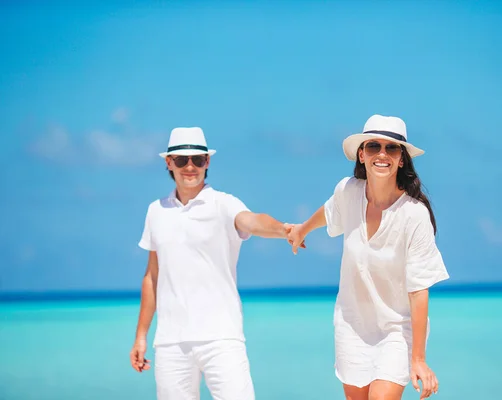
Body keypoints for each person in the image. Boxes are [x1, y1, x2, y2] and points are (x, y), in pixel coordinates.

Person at [129, 127, 301, 400]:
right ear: (168, 162)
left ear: (207, 162)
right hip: (171, 342)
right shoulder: (156, 211)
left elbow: (252, 221)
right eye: (182, 160)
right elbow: (152, 276)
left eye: (197, 159)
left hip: (222, 338)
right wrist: (141, 336)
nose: (190, 166)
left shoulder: (223, 204)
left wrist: (284, 230)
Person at [287, 114, 449, 400]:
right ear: (362, 155)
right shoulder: (348, 191)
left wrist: (419, 359)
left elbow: (418, 289)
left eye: (392, 148)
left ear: (402, 159)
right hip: (352, 326)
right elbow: (328, 212)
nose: (382, 154)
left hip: (397, 330)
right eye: (374, 146)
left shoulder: (414, 214)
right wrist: (301, 230)